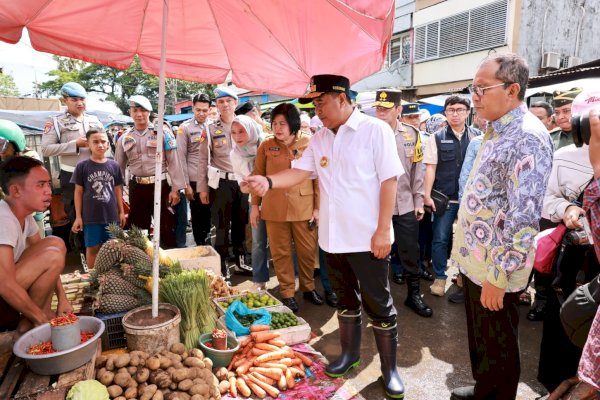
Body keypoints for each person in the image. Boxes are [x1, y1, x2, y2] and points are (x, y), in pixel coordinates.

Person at [245, 74, 405, 398]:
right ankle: (349, 355)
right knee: (346, 301)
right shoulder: (319, 138)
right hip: (331, 240)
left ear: (342, 97)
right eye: (314, 104)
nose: (317, 109)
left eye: (321, 102)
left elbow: (390, 181)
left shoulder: (375, 131)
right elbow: (300, 172)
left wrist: (384, 229)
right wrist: (269, 183)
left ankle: (390, 371)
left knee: (379, 305)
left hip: (367, 238)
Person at [449, 53, 553, 400]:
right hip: (474, 259)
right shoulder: (494, 129)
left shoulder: (528, 137)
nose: (473, 97)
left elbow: (523, 217)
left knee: (499, 343)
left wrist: (499, 274)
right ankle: (484, 388)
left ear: (512, 90)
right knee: (481, 338)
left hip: (496, 267)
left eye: (481, 89)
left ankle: (496, 394)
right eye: (472, 89)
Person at [251, 103, 323, 312]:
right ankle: (287, 292)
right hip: (274, 208)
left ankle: (308, 287)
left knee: (307, 251)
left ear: (293, 124)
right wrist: (255, 206)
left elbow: (318, 179)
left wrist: (318, 208)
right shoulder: (266, 146)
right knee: (280, 253)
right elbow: (258, 176)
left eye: (282, 123)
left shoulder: (309, 142)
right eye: (274, 123)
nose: (277, 128)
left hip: (304, 207)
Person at [373, 88, 433, 318]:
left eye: (386, 109)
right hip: (376, 207)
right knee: (376, 254)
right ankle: (379, 300)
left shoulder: (412, 134)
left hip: (406, 203)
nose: (381, 112)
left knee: (410, 251)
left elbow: (418, 170)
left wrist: (419, 201)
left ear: (398, 110)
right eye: (378, 108)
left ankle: (413, 294)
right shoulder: (368, 133)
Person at [0, 156, 71, 338]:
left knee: (56, 243)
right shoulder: (4, 219)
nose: (48, 191)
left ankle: (27, 324)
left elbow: (50, 263)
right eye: (40, 185)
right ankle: (33, 320)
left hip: (10, 293)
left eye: (48, 184)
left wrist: (62, 298)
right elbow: (4, 284)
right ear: (15, 190)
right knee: (52, 254)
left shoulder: (25, 216)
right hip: (4, 301)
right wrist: (41, 320)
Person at [423, 95, 480, 297]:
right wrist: (427, 196)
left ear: (467, 112)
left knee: (470, 240)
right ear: (445, 113)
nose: (455, 114)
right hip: (445, 198)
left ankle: (464, 277)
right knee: (440, 238)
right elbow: (430, 168)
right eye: (451, 110)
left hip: (471, 200)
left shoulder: (477, 137)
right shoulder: (436, 138)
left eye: (459, 110)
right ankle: (440, 276)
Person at [115, 95, 185, 249]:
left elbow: (174, 162)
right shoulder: (124, 137)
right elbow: (118, 168)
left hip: (161, 185)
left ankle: (168, 265)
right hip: (137, 187)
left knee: (166, 226)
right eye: (135, 110)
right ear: (130, 112)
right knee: (139, 230)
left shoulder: (162, 133)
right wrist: (118, 195)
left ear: (149, 112)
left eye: (143, 110)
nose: (139, 114)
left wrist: (176, 189)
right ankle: (143, 263)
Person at [199, 88, 252, 277]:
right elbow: (202, 160)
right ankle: (221, 268)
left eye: (229, 101)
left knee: (241, 223)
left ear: (235, 103)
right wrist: (202, 188)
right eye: (221, 102)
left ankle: (240, 262)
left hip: (243, 182)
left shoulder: (247, 125)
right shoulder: (210, 129)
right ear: (217, 105)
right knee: (221, 227)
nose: (225, 105)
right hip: (221, 183)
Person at [41, 82, 105, 227]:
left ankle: (96, 246)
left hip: (96, 173)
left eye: (82, 99)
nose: (79, 103)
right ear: (65, 100)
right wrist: (74, 144)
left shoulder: (94, 120)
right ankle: (80, 247)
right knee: (76, 215)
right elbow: (46, 149)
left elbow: (105, 144)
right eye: (74, 99)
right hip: (71, 176)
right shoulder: (56, 122)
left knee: (99, 212)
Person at [71, 129, 126, 269]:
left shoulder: (114, 165)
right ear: (88, 144)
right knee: (93, 249)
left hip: (111, 216)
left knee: (114, 249)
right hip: (91, 218)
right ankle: (93, 279)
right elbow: (78, 192)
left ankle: (113, 277)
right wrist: (78, 217)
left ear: (108, 144)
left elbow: (118, 189)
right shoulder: (82, 166)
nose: (100, 145)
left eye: (103, 142)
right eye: (95, 142)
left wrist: (121, 211)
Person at [229, 115, 270, 291]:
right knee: (258, 241)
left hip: (277, 199)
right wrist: (248, 187)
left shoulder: (267, 145)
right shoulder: (235, 154)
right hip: (255, 202)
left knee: (282, 242)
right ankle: (259, 279)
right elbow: (242, 185)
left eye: (242, 131)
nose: (237, 136)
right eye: (233, 132)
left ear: (251, 130)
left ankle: (293, 282)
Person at [177, 93, 213, 246]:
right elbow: (180, 157)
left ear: (210, 109)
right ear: (192, 108)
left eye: (205, 110)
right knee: (199, 218)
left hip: (213, 179)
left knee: (213, 217)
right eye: (198, 110)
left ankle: (213, 248)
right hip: (194, 180)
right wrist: (186, 185)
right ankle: (201, 248)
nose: (201, 113)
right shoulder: (184, 128)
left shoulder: (214, 126)